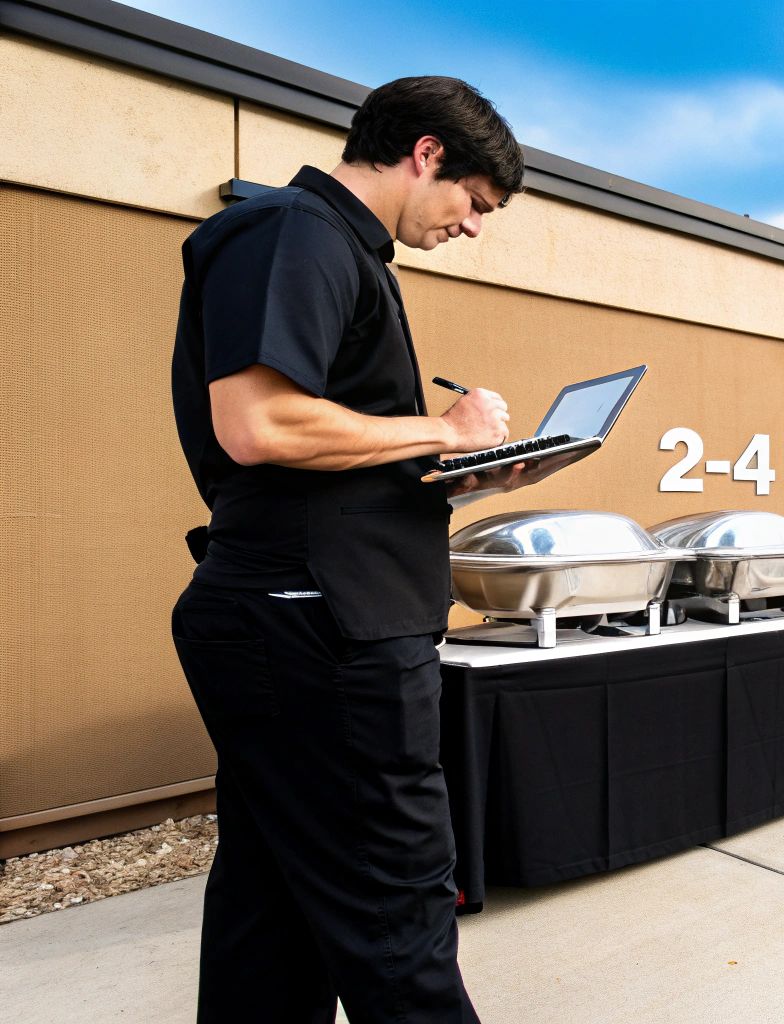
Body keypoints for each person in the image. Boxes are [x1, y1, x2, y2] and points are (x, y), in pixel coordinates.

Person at [168, 76, 524, 1023]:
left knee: (272, 906)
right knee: (396, 906)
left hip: (307, 614)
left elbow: (331, 457)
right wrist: (444, 430)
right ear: (428, 153)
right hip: (319, 626)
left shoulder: (343, 252)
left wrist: (471, 472)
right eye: (474, 204)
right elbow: (258, 424)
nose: (472, 227)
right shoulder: (295, 232)